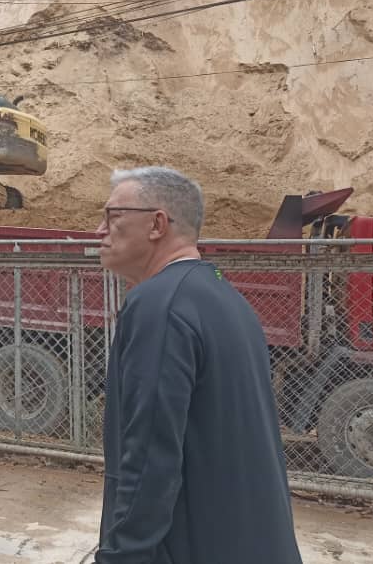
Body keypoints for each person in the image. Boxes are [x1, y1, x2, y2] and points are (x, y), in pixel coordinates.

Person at [94, 167, 302, 564]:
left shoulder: (160, 304)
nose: (98, 230)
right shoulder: (224, 295)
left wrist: (123, 555)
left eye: (112, 217)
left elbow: (150, 452)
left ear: (157, 224)